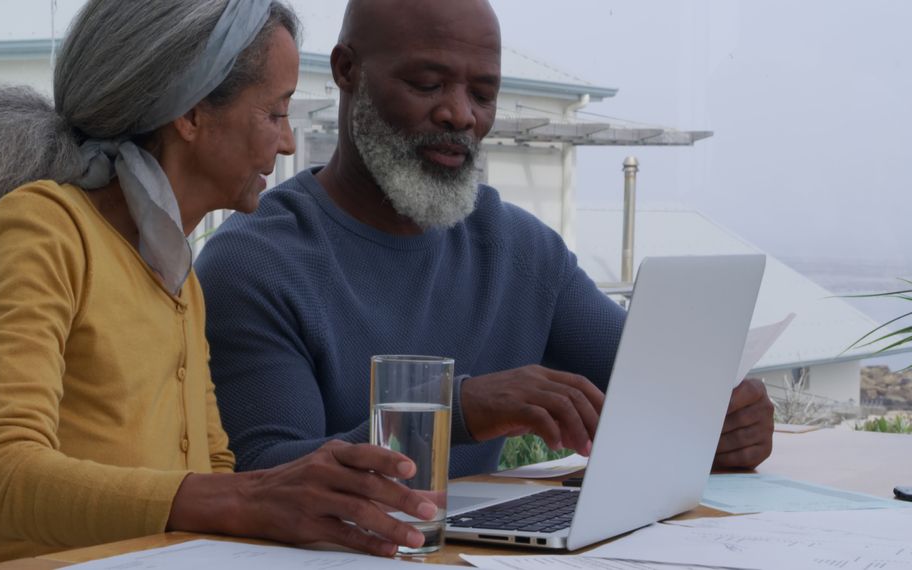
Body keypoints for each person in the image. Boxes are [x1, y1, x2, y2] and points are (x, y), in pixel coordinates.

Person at [0, 2, 438, 568]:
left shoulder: (178, 274)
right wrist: (245, 500)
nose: (284, 144)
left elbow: (215, 472)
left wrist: (295, 512)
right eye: (275, 113)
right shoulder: (43, 228)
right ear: (191, 113)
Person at [194, 0, 775, 480]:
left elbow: (658, 385)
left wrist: (724, 420)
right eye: (427, 84)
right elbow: (262, 476)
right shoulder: (255, 264)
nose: (461, 114)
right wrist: (456, 410)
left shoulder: (517, 251)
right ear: (347, 70)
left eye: (484, 94)